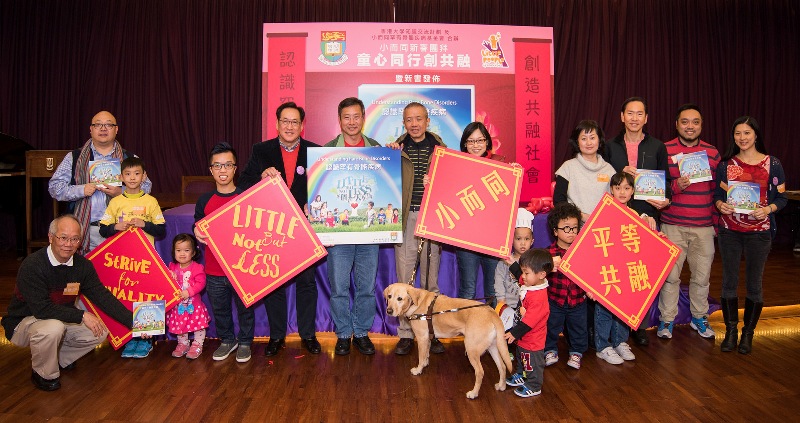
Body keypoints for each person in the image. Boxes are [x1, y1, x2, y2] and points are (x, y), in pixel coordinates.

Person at [1, 215, 132, 391]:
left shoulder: (83, 266)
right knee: (53, 328)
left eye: (74, 239)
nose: (68, 244)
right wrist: (82, 315)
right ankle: (44, 374)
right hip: (25, 321)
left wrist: (135, 323)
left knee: (99, 332)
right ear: (50, 237)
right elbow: (41, 309)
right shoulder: (33, 265)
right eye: (63, 237)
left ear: (80, 241)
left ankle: (57, 359)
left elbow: (102, 296)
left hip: (59, 317)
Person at [239, 101, 320, 356]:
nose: (289, 126)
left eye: (294, 122)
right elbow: (243, 183)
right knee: (274, 284)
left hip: (305, 228)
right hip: (273, 228)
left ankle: (308, 334)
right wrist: (261, 176)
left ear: (302, 126)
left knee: (306, 283)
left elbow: (323, 188)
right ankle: (276, 336)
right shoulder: (261, 150)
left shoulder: (314, 151)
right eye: (284, 121)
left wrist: (314, 203)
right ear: (276, 124)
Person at [713, 116, 786, 354]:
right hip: (730, 232)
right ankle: (731, 331)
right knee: (728, 283)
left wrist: (767, 209)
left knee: (754, 286)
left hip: (759, 233)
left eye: (746, 133)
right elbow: (718, 196)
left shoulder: (772, 164)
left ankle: (748, 334)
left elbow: (782, 197)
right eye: (737, 134)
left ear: (755, 135)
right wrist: (720, 205)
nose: (742, 138)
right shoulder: (726, 165)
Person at [603, 97, 671, 346]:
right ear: (622, 116)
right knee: (617, 273)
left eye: (639, 114)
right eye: (629, 113)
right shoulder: (609, 146)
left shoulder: (657, 146)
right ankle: (614, 328)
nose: (634, 118)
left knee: (641, 274)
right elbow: (602, 179)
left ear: (646, 118)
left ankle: (639, 324)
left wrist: (666, 200)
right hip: (616, 217)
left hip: (647, 218)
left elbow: (667, 184)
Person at [386, 101, 447, 355]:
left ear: (427, 121)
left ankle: (431, 333)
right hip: (406, 218)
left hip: (433, 218)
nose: (414, 124)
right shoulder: (395, 150)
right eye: (409, 120)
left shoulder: (443, 151)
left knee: (430, 282)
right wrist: (388, 156)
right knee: (404, 282)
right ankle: (406, 335)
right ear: (404, 123)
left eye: (419, 119)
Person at [324, 97, 383, 356]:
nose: (351, 122)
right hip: (339, 235)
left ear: (363, 118)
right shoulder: (326, 151)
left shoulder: (377, 149)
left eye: (356, 116)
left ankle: (360, 332)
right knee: (338, 287)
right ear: (339, 120)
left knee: (366, 287)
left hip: (369, 234)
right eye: (346, 117)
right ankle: (342, 333)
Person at [48, 111, 152, 255]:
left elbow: (147, 188)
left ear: (116, 129)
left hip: (121, 229)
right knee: (84, 276)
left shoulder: (129, 158)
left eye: (108, 124)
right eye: (98, 125)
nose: (103, 128)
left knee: (117, 276)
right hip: (85, 230)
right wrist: (81, 190)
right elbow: (54, 188)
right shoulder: (74, 157)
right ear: (91, 129)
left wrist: (121, 193)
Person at [657, 104, 720, 340]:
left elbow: (716, 193)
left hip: (703, 227)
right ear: (677, 124)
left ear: (701, 125)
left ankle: (699, 318)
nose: (690, 126)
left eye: (695, 122)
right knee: (670, 277)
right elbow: (657, 187)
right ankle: (667, 320)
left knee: (702, 278)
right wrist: (676, 186)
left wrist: (714, 224)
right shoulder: (665, 149)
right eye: (685, 121)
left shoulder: (712, 153)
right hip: (672, 225)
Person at [98, 156, 165, 358]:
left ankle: (147, 341)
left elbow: (161, 230)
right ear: (121, 177)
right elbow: (103, 229)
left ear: (144, 176)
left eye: (137, 173)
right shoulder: (116, 202)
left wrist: (145, 225)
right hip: (123, 261)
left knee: (146, 299)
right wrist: (115, 227)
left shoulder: (151, 201)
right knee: (126, 299)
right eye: (128, 174)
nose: (133, 177)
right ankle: (130, 339)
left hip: (145, 260)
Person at [193, 142, 255, 362]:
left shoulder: (246, 198)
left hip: (241, 269)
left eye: (227, 165)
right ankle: (227, 340)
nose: (223, 170)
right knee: (220, 310)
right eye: (217, 166)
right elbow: (197, 225)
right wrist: (196, 231)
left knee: (245, 309)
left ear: (235, 168)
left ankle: (246, 342)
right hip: (214, 269)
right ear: (211, 170)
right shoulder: (204, 201)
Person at [595, 172, 656, 365]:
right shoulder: (603, 211)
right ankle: (602, 346)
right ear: (611, 190)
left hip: (626, 269)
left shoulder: (635, 215)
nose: (622, 192)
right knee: (604, 308)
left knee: (623, 307)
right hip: (607, 268)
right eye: (618, 188)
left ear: (632, 192)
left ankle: (620, 341)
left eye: (627, 188)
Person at [455, 122, 504, 307]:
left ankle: (492, 331)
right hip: (466, 238)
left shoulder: (501, 164)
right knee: (468, 289)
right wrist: (431, 180)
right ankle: (466, 331)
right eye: (471, 141)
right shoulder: (456, 166)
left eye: (480, 140)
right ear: (465, 144)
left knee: (493, 290)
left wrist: (514, 173)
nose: (476, 145)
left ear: (487, 141)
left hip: (492, 238)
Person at [503, 249, 552, 398]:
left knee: (533, 364)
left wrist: (514, 333)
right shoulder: (531, 283)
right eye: (523, 272)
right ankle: (521, 375)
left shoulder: (539, 297)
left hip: (533, 341)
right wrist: (512, 263)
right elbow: (519, 275)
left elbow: (529, 322)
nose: (523, 277)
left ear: (541, 274)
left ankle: (534, 385)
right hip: (524, 338)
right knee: (522, 359)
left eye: (527, 273)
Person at [544, 202, 588, 370]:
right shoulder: (548, 253)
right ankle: (550, 350)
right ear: (555, 231)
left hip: (578, 300)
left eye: (575, 228)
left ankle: (576, 352)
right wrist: (548, 266)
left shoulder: (582, 251)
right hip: (555, 300)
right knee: (551, 326)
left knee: (579, 328)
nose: (571, 232)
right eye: (566, 228)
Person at [554, 120, 616, 223]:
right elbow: (559, 201)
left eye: (592, 138)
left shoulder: (609, 170)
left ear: (599, 141)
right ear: (577, 142)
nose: (588, 143)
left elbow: (618, 201)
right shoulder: (567, 168)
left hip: (604, 227)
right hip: (574, 228)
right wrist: (581, 216)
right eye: (583, 139)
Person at [166, 233, 211, 360]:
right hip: (178, 307)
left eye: (186, 250)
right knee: (180, 326)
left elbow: (201, 283)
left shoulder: (197, 267)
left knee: (198, 325)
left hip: (193, 305)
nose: (182, 254)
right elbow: (164, 282)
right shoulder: (172, 267)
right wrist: (169, 275)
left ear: (193, 252)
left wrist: (189, 292)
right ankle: (183, 344)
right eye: (178, 250)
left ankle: (197, 343)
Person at [494, 208, 535, 310]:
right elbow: (499, 283)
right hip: (508, 306)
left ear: (532, 241)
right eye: (518, 239)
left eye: (527, 239)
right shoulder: (504, 262)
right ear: (511, 240)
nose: (522, 243)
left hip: (529, 307)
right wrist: (501, 301)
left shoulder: (535, 262)